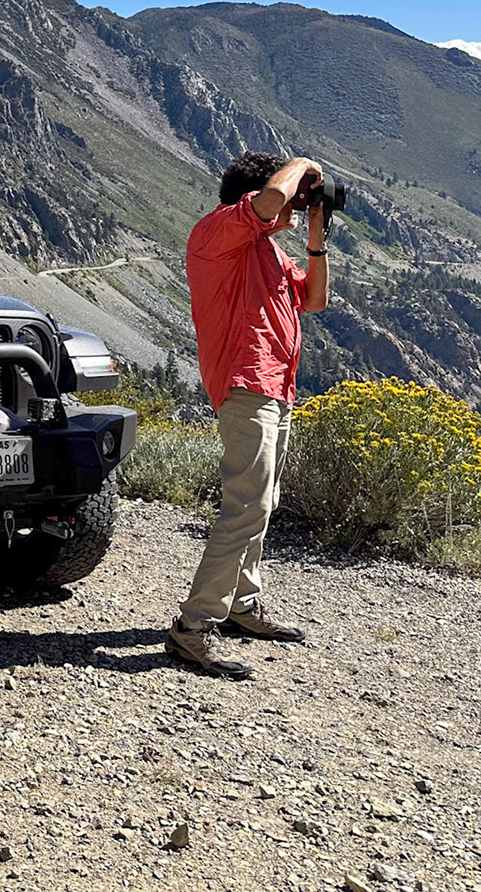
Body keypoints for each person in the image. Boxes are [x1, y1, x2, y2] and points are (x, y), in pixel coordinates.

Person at [166, 151, 330, 679]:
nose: (295, 206)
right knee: (246, 506)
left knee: (264, 501)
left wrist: (315, 235)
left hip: (277, 387)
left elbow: (317, 300)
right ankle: (192, 629)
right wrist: (300, 164)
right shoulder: (217, 233)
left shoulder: (270, 253)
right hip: (246, 386)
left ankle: (241, 603)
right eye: (294, 197)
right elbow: (272, 201)